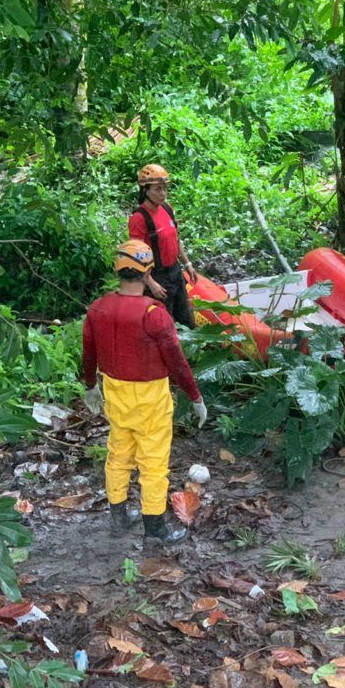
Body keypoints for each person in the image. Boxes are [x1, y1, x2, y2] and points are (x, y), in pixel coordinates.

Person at [81, 239, 208, 552]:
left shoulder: (99, 307)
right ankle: (154, 530)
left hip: (115, 391)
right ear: (149, 272)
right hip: (150, 396)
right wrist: (195, 396)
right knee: (153, 463)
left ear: (118, 270)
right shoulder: (154, 313)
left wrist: (90, 384)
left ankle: (119, 517)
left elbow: (89, 350)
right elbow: (176, 361)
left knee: (119, 454)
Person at [128, 163, 196, 328]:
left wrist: (187, 264)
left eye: (165, 188)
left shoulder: (167, 208)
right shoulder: (139, 218)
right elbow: (137, 255)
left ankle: (188, 353)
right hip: (157, 276)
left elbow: (175, 238)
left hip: (175, 271)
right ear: (145, 190)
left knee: (186, 319)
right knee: (164, 326)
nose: (163, 194)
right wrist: (150, 282)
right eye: (158, 189)